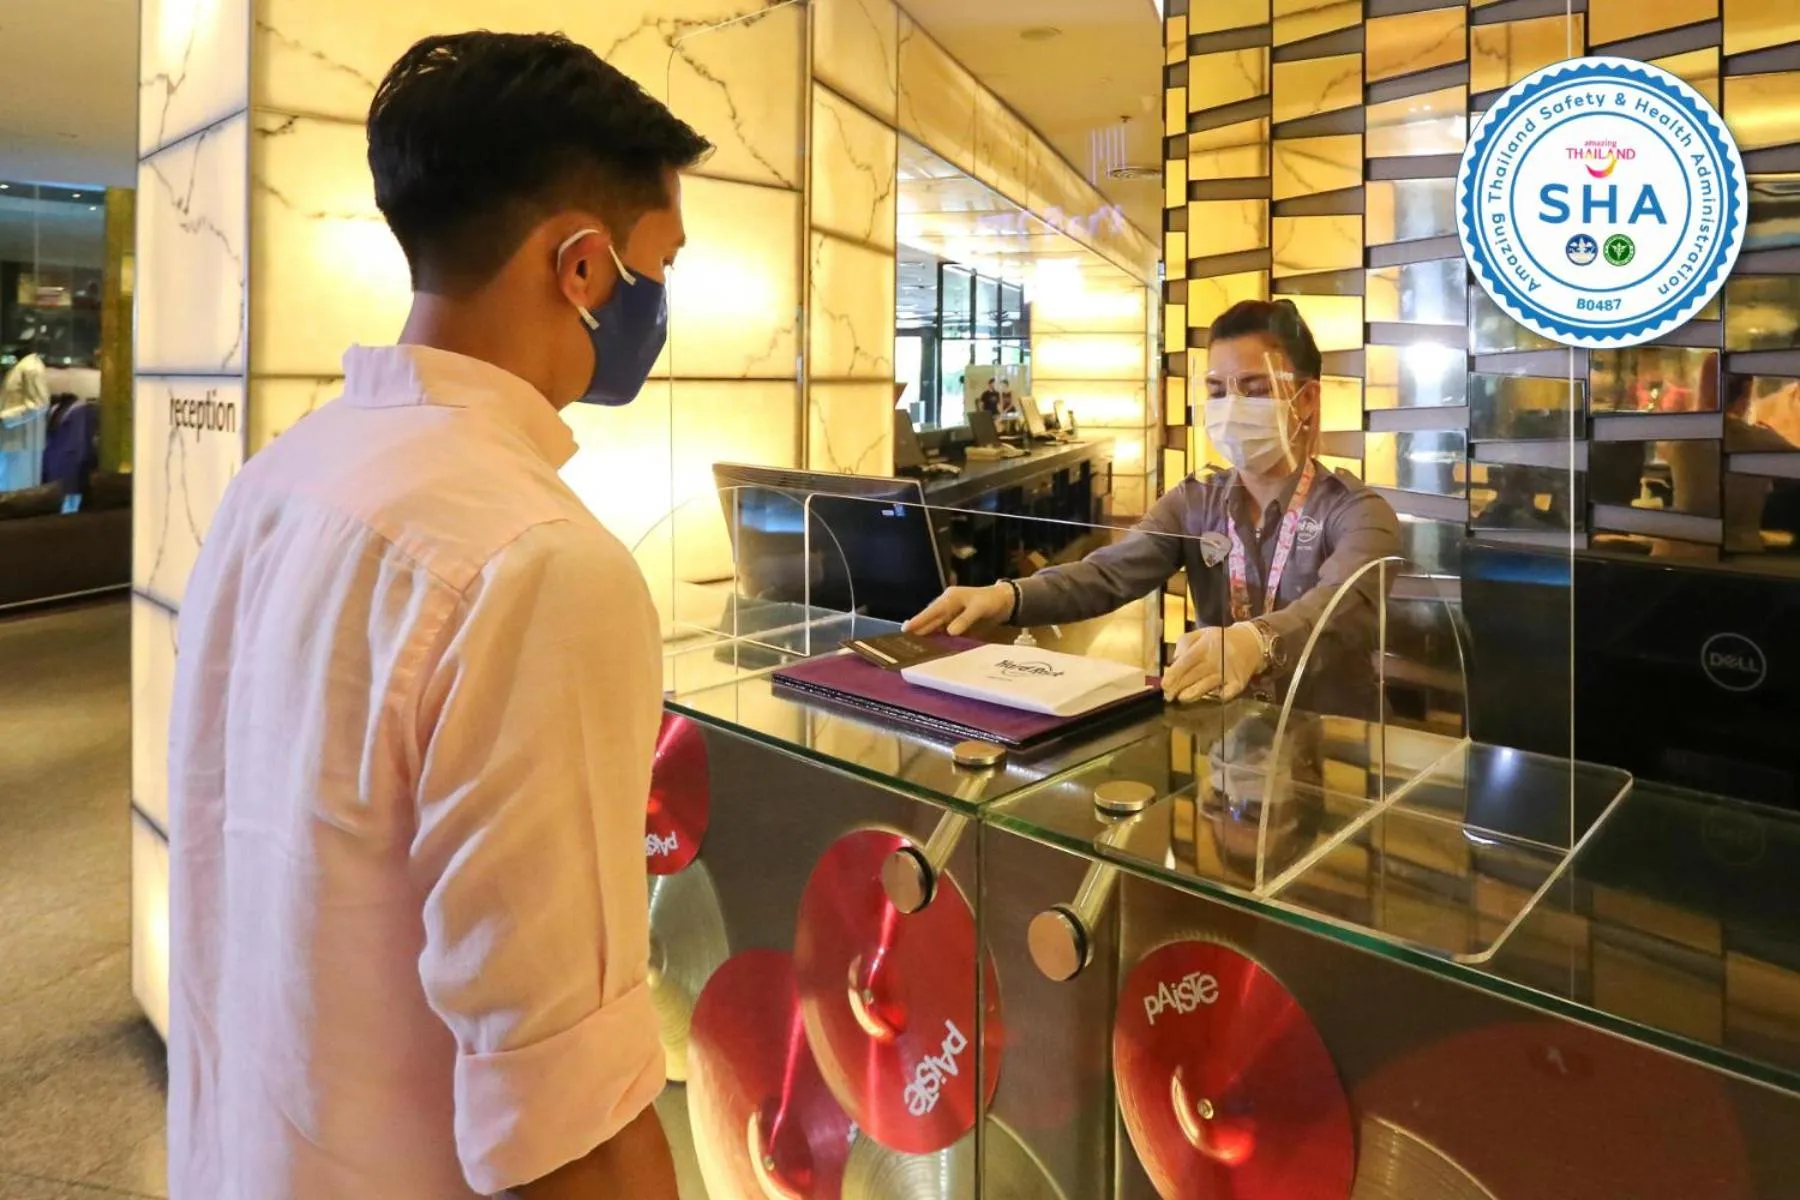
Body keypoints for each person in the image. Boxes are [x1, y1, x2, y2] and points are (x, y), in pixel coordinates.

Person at [166, 32, 710, 1200]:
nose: (660, 305)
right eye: (656, 265)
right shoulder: (540, 563)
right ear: (581, 266)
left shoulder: (280, 480)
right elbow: (569, 1126)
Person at [908, 299, 1401, 707]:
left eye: (1255, 390)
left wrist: (1256, 641)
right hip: (1222, 734)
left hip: (1333, 745)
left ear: (1308, 400)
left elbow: (1341, 603)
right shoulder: (1195, 501)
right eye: (1215, 391)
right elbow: (1107, 573)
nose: (1231, 407)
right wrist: (1006, 596)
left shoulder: (1358, 512)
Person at [0, 328, 50, 493]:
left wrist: (5, 417)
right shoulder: (22, 367)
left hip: (23, 443)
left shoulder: (31, 367)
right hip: (14, 442)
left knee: (18, 492)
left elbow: (39, 403)